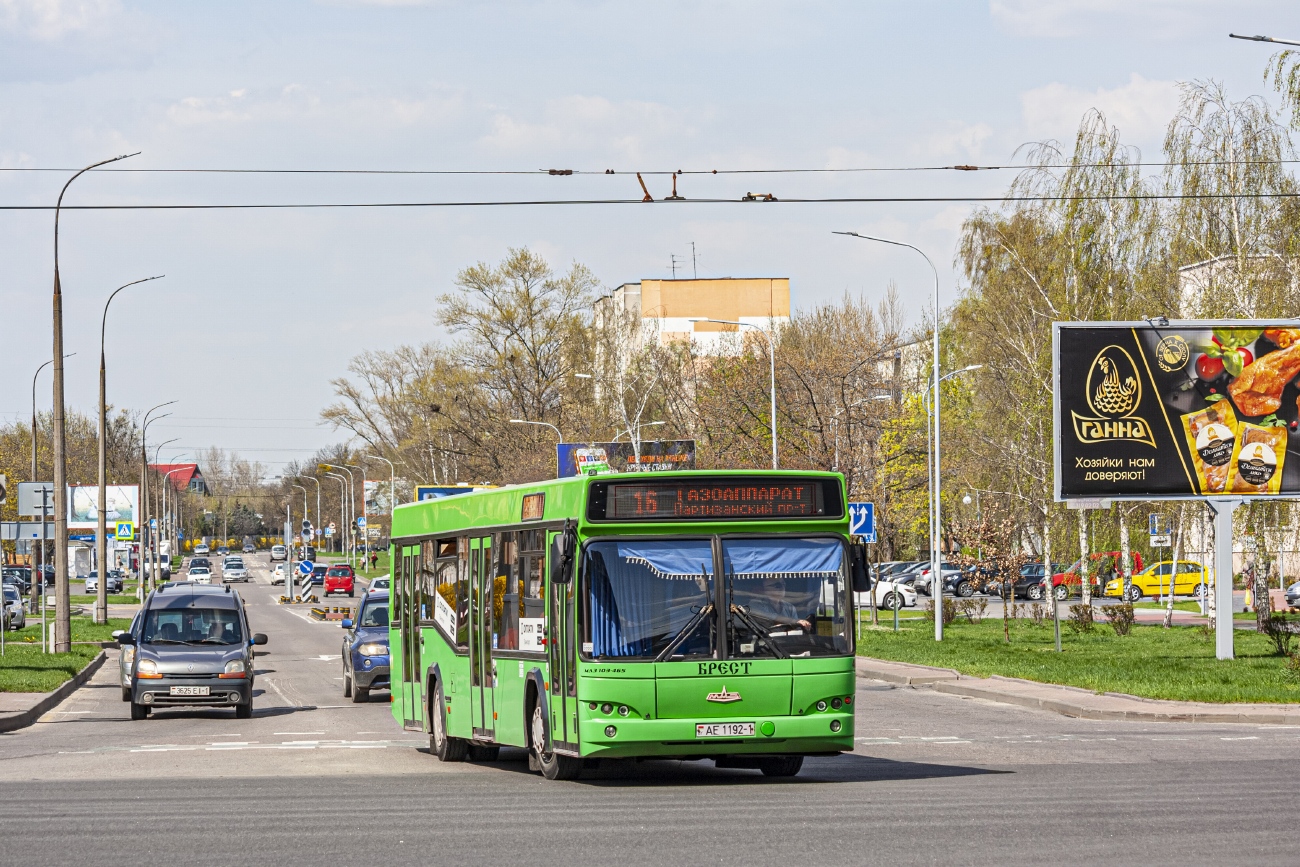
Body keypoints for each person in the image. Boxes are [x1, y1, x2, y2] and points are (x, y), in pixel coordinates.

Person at [745, 577, 812, 631]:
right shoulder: (755, 604)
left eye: (783, 584)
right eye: (777, 585)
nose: (782, 587)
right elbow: (774, 618)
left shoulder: (790, 607)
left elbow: (796, 629)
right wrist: (796, 621)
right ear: (764, 589)